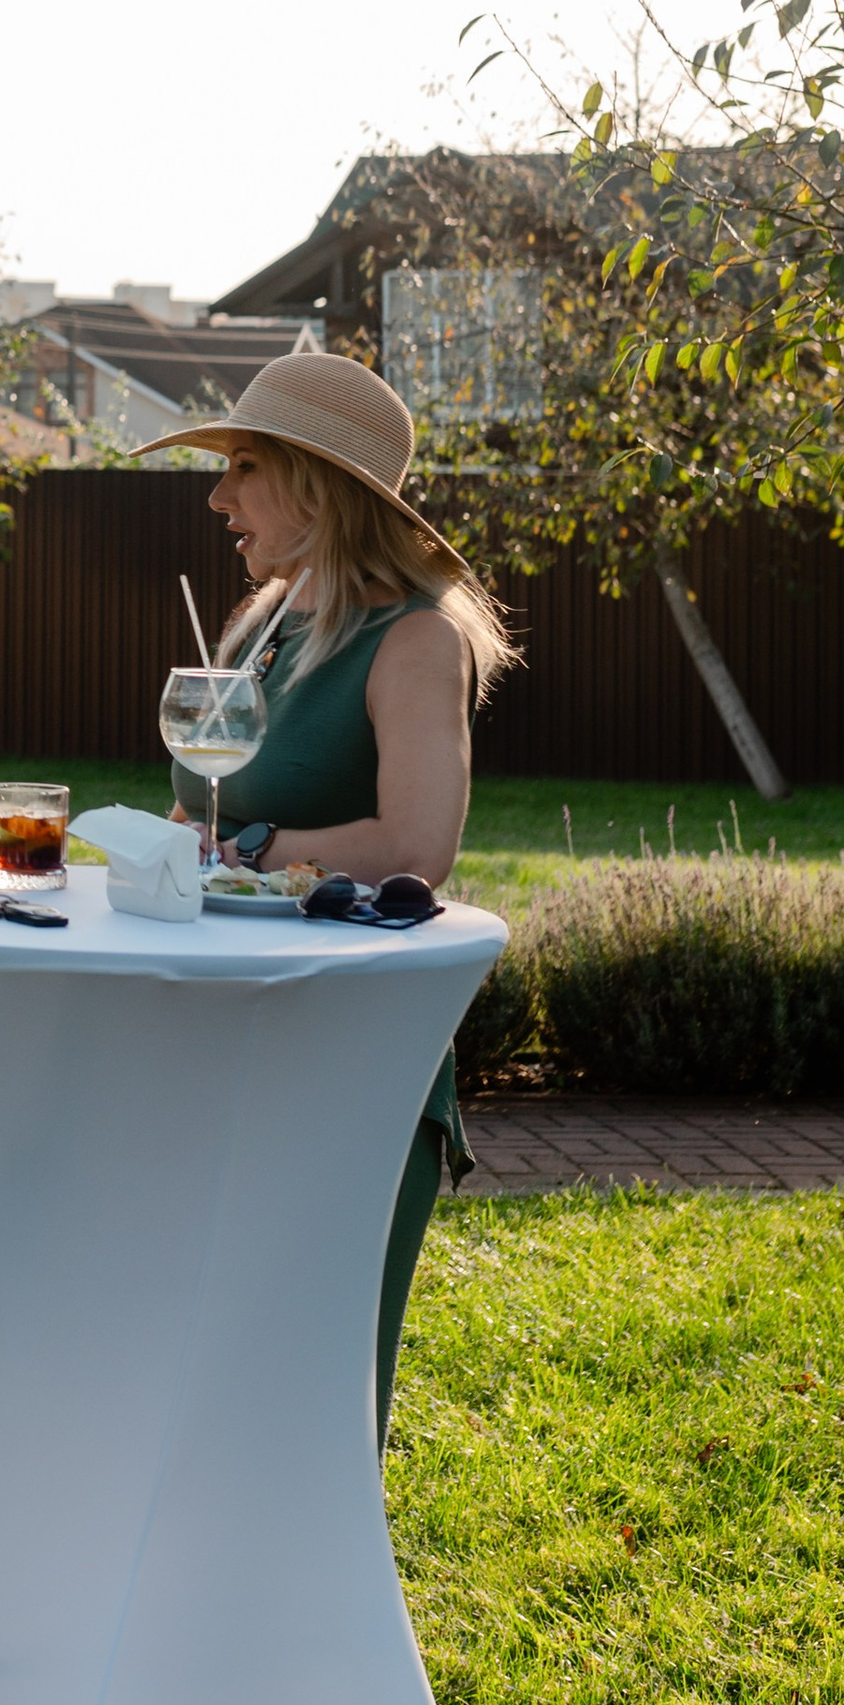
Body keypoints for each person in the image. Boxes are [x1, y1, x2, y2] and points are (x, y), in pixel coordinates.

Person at [134, 352, 515, 1450]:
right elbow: (198, 817)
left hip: (346, 1052)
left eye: (242, 468)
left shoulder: (414, 637)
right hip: (227, 1032)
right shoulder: (268, 620)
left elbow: (414, 846)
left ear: (317, 483)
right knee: (205, 1390)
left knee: (312, 1406)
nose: (218, 499)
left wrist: (239, 847)